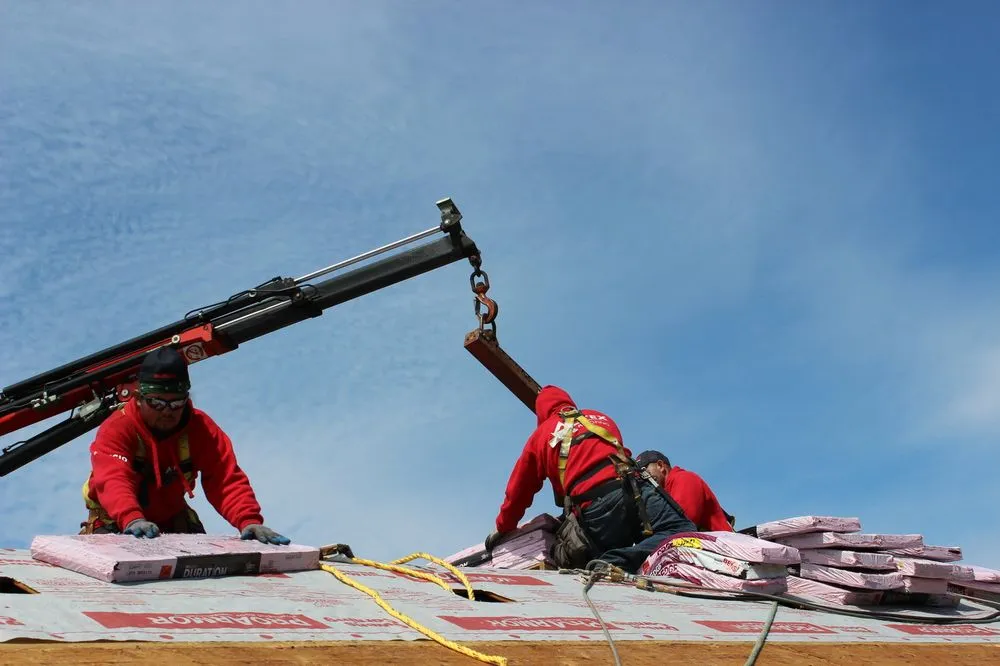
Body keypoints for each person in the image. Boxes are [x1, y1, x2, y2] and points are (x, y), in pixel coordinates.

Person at [79, 346, 290, 545]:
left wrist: (249, 520)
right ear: (139, 398)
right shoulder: (118, 427)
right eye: (157, 402)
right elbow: (113, 478)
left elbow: (225, 479)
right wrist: (131, 518)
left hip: (172, 518)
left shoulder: (201, 429)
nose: (167, 411)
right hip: (116, 521)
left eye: (176, 403)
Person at [485, 385, 696, 573]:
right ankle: (626, 562)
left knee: (598, 555)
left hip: (595, 510)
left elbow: (518, 492)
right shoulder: (599, 417)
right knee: (681, 532)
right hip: (634, 492)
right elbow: (620, 455)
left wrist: (503, 526)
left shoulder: (540, 436)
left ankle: (610, 562)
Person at [634, 450, 734, 532]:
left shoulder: (684, 478)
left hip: (720, 546)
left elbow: (683, 523)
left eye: (644, 472)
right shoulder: (662, 493)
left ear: (660, 466)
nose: (642, 478)